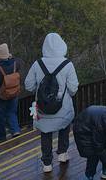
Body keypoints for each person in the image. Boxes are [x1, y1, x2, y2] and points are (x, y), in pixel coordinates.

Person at [24, 32, 79, 173]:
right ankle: (62, 153)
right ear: (62, 45)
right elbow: (73, 88)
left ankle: (47, 163)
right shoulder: (68, 64)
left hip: (43, 107)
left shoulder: (37, 64)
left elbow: (28, 85)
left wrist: (41, 91)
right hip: (62, 106)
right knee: (64, 127)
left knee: (45, 133)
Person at [0, 43, 22, 143]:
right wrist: (9, 57)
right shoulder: (16, 63)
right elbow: (16, 60)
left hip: (1, 95)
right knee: (12, 112)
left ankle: (1, 138)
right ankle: (15, 130)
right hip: (14, 92)